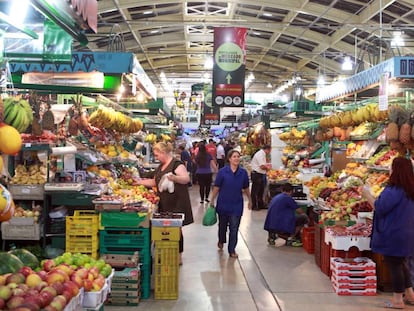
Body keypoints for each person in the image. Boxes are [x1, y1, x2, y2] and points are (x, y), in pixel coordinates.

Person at [361, 157, 414, 309]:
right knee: (400, 262)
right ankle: (410, 294)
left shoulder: (394, 190)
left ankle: (397, 300)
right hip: (407, 233)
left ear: (395, 170)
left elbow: (380, 207)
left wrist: (367, 194)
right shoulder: (410, 189)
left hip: (393, 233)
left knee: (394, 265)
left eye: (392, 167)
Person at [138, 142, 194, 265]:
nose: (156, 157)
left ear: (163, 153)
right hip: (165, 202)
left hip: (177, 202)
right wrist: (139, 182)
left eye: (157, 155)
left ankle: (178, 256)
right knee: (167, 229)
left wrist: (174, 178)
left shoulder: (176, 164)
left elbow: (186, 179)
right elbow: (155, 181)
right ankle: (166, 252)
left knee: (176, 229)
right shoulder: (161, 166)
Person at [210, 149, 252, 258]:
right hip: (223, 204)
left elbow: (246, 187)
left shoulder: (243, 173)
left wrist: (250, 200)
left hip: (237, 205)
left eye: (238, 156)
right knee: (222, 226)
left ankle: (232, 249)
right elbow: (217, 187)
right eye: (234, 156)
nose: (237, 158)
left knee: (234, 228)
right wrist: (212, 200)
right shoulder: (223, 172)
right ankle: (221, 240)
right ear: (229, 159)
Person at [250, 144, 272, 210]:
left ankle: (260, 205)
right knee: (256, 191)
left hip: (260, 174)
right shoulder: (260, 154)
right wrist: (268, 168)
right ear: (268, 149)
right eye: (270, 150)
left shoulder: (262, 154)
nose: (270, 152)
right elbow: (262, 166)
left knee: (260, 191)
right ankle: (254, 206)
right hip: (257, 175)